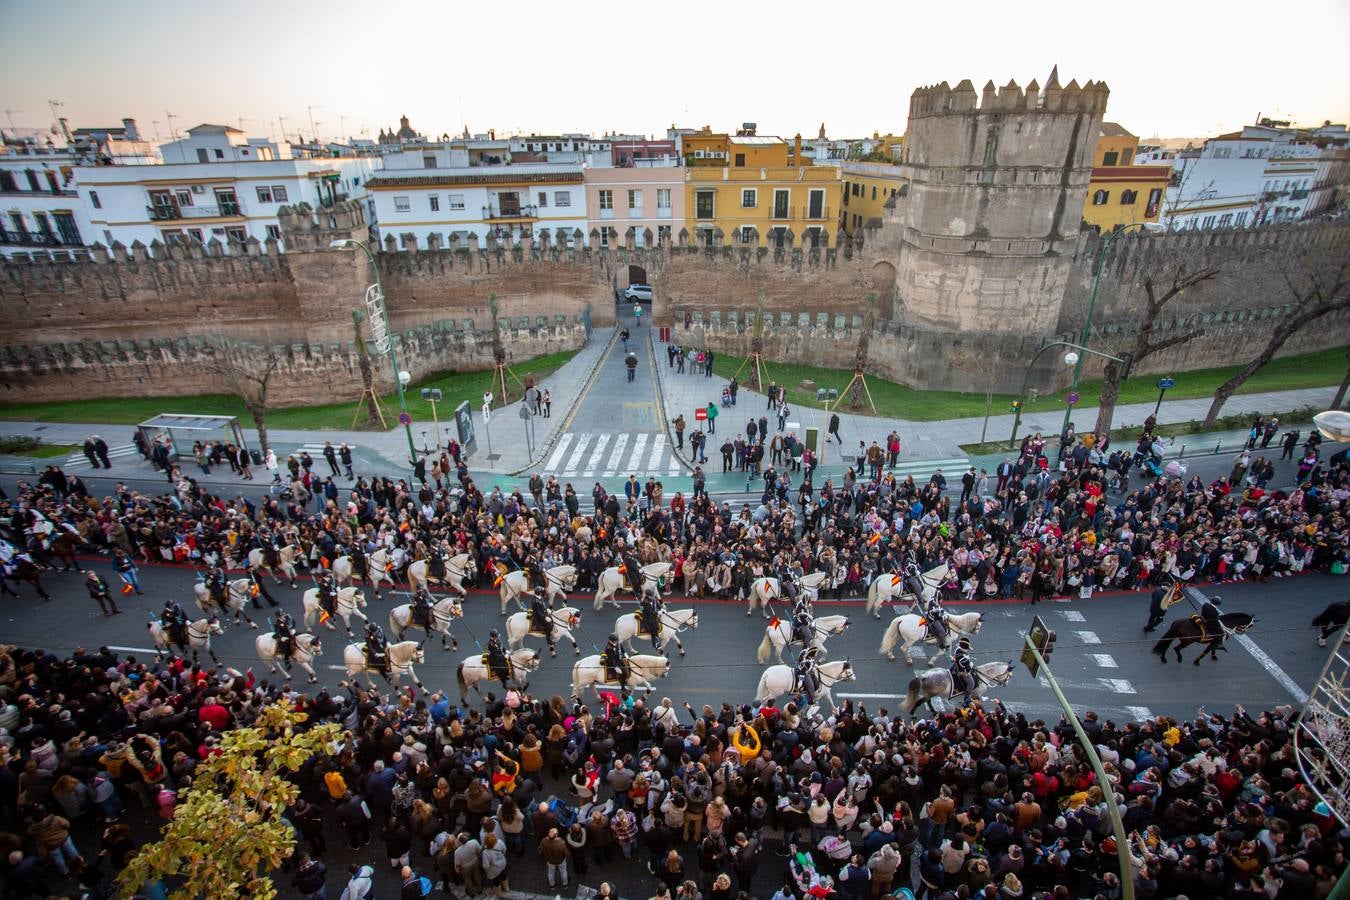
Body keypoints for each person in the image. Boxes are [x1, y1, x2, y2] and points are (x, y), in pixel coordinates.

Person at [950, 637, 976, 706]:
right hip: (962, 672)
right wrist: (971, 665)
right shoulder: (963, 657)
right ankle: (966, 699)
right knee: (971, 684)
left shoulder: (957, 649)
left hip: (955, 666)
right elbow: (968, 669)